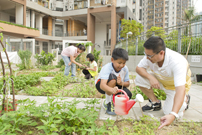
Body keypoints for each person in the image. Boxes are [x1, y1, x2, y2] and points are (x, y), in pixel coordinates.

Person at [135, 36, 191, 129]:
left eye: (149, 56)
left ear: (161, 53)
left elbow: (180, 89)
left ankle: (185, 99)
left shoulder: (177, 62)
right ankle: (155, 102)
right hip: (162, 80)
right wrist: (150, 77)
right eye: (146, 54)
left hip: (175, 87)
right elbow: (138, 68)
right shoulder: (150, 57)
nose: (147, 58)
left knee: (170, 114)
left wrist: (173, 114)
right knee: (140, 78)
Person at [95, 48, 132, 115]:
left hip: (115, 86)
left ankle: (114, 102)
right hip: (101, 85)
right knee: (112, 79)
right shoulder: (107, 68)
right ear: (112, 60)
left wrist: (120, 83)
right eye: (119, 63)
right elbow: (102, 85)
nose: (121, 65)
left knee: (128, 94)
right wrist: (111, 90)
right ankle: (108, 103)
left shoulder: (125, 69)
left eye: (124, 63)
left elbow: (127, 83)